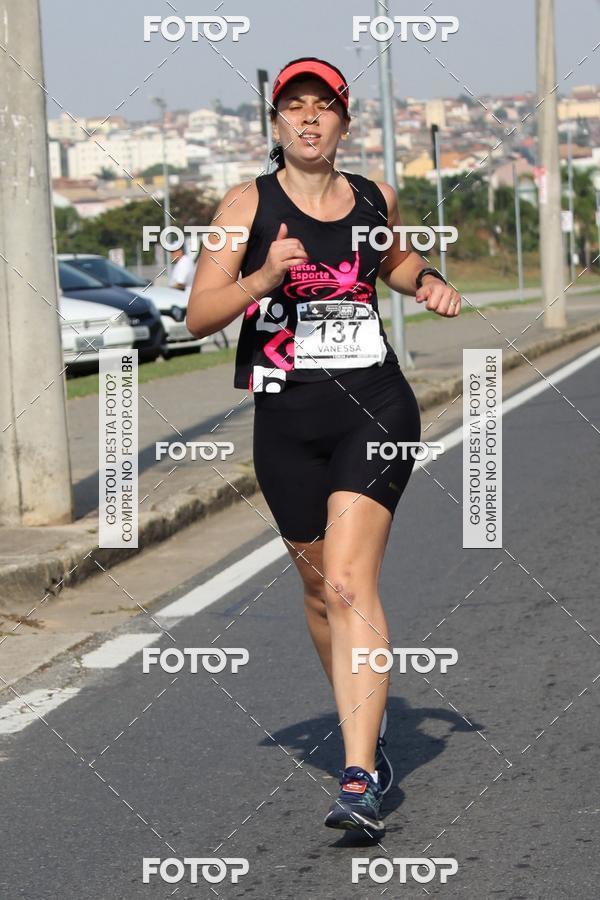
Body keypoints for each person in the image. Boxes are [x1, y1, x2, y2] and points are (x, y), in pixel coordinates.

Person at [186, 56, 461, 840]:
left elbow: (392, 258)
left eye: (324, 107)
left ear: (344, 122)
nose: (309, 119)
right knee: (316, 593)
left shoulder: (373, 195)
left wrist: (426, 279)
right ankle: (362, 733)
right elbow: (199, 314)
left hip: (374, 405)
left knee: (347, 584)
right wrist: (263, 276)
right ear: (276, 125)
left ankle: (359, 774)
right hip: (285, 416)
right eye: (294, 107)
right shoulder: (243, 207)